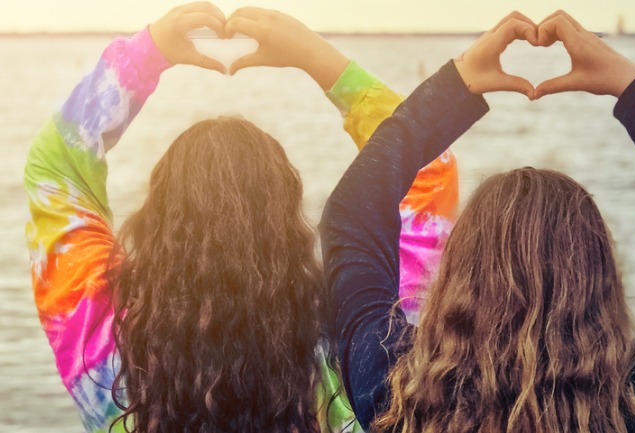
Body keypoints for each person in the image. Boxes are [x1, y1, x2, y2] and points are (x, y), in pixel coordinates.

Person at [320, 10, 635, 433]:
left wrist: (455, 85)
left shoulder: (397, 391)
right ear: (598, 278)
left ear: (460, 271)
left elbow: (351, 216)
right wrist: (631, 88)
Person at [24, 3, 457, 432]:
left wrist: (146, 55)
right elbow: (427, 170)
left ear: (158, 221)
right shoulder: (357, 343)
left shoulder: (102, 338)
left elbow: (55, 167)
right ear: (285, 225)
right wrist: (315, 58)